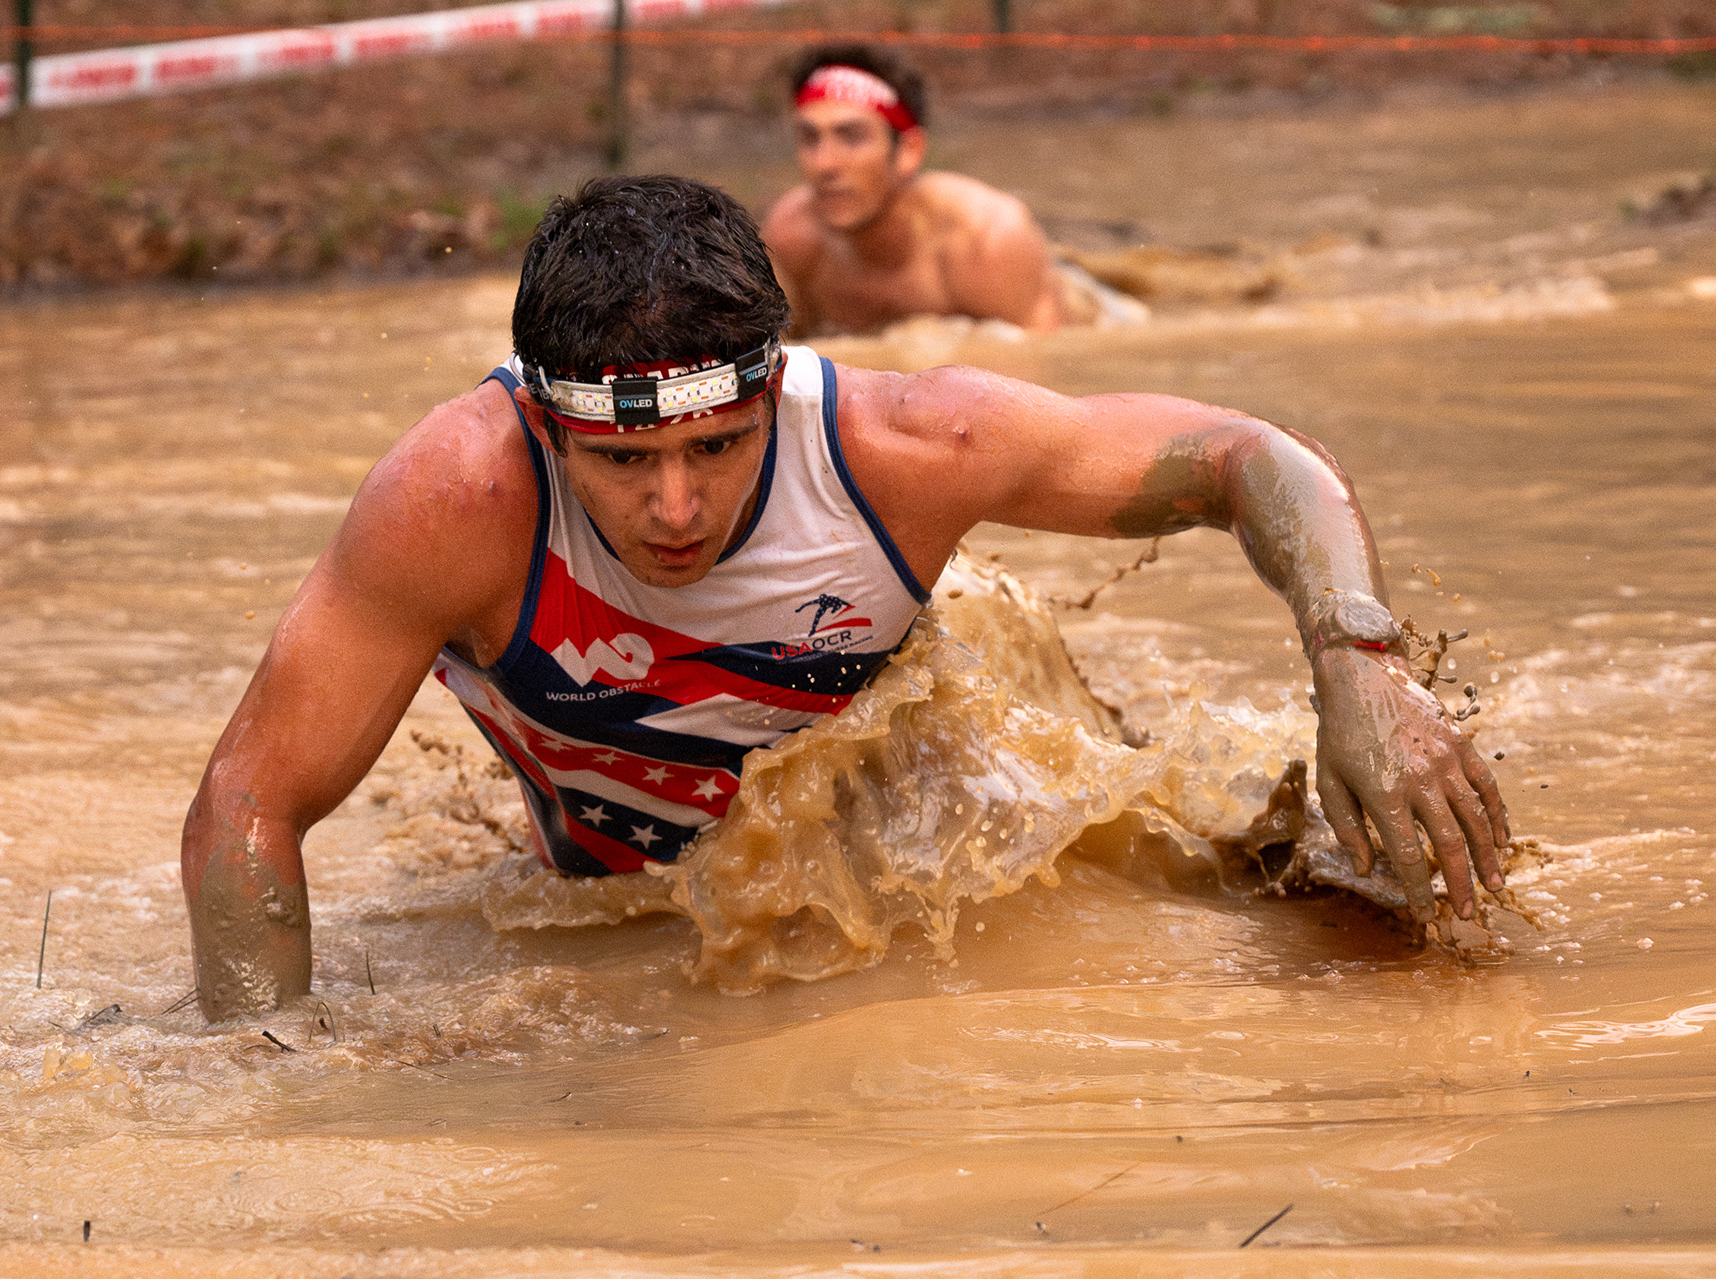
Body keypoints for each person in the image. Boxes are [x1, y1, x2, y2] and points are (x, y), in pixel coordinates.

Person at [181, 174, 1510, 1021]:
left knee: (1358, 920)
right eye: (625, 463)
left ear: (775, 390)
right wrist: (262, 1082)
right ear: (545, 425)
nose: (677, 507)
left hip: (915, 816)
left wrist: (1360, 663)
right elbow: (249, 803)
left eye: (718, 446)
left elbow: (1249, 458)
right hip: (617, 885)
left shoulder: (908, 442)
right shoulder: (452, 502)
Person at [761, 44, 1142, 335]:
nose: (824, 163)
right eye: (809, 138)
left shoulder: (987, 240)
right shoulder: (793, 240)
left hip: (1085, 304)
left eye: (852, 137)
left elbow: (1054, 381)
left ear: (909, 152)